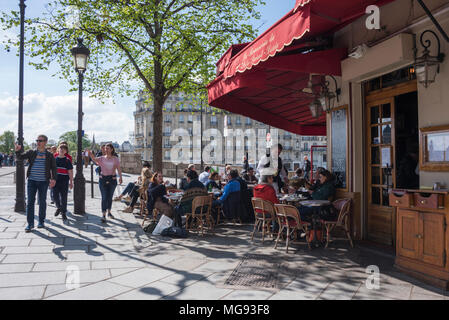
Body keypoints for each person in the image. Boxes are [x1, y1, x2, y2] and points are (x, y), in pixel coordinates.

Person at [15, 135, 57, 232]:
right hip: (32, 181)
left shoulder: (49, 155)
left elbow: (54, 167)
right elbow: (20, 157)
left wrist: (53, 178)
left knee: (42, 201)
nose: (38, 142)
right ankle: (30, 224)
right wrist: (17, 150)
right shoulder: (31, 152)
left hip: (43, 182)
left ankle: (41, 221)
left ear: (45, 142)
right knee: (30, 202)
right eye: (37, 140)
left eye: (40, 140)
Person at [87, 143, 123, 223]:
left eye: (108, 148)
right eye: (105, 148)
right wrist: (90, 153)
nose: (106, 150)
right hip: (103, 179)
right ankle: (103, 215)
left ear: (112, 149)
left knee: (109, 197)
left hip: (112, 179)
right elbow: (94, 159)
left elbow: (119, 168)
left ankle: (109, 212)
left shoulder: (115, 159)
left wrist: (120, 177)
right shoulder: (101, 158)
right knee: (104, 197)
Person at [53, 145, 73, 221]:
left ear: (66, 151)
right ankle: (59, 207)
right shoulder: (54, 159)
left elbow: (70, 171)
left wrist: (71, 182)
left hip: (64, 181)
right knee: (55, 196)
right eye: (60, 148)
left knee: (64, 198)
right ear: (58, 150)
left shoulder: (67, 160)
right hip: (55, 180)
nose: (62, 150)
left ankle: (63, 213)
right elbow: (51, 170)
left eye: (63, 149)